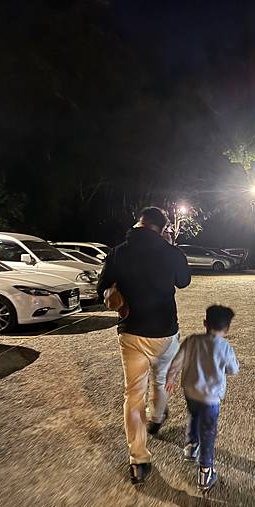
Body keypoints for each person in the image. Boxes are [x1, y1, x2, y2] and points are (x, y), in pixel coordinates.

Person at [97, 206, 191, 484]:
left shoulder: (118, 252)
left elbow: (102, 287)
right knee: (160, 380)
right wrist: (171, 246)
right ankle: (158, 416)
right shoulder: (170, 251)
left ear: (139, 223)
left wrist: (112, 294)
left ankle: (138, 460)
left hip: (131, 332)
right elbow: (183, 281)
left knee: (133, 394)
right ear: (162, 228)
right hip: (164, 331)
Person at [166, 305, 239, 491]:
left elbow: (177, 362)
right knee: (208, 432)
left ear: (205, 323)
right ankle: (205, 471)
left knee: (193, 416)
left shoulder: (192, 341)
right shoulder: (225, 347)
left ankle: (191, 446)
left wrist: (170, 379)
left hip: (190, 392)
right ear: (227, 329)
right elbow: (233, 369)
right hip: (210, 399)